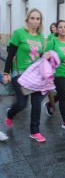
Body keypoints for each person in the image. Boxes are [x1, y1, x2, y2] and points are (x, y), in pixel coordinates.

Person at [3, 8, 46, 142]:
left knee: (37, 102)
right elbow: (10, 55)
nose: (35, 21)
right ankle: (10, 114)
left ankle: (35, 131)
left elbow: (39, 57)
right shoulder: (19, 33)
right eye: (32, 18)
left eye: (37, 19)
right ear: (27, 20)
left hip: (35, 74)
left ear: (40, 21)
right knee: (22, 104)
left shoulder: (40, 37)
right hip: (20, 73)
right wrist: (6, 73)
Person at [44, 20, 65, 132]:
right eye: (60, 27)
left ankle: (49, 104)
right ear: (57, 29)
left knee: (61, 93)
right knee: (63, 95)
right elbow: (45, 57)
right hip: (57, 73)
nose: (63, 29)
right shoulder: (53, 42)